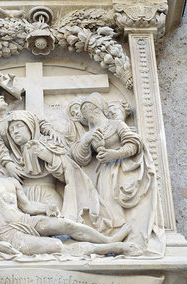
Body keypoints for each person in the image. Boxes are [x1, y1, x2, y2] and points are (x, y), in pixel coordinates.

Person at [0, 155, 140, 257]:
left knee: (67, 225)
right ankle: (112, 249)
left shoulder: (10, 182)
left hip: (26, 220)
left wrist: (46, 208)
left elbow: (27, 206)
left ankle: (108, 240)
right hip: (9, 233)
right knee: (56, 245)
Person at [71, 93, 165, 257]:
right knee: (105, 205)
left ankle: (125, 237)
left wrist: (114, 154)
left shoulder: (117, 124)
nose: (89, 113)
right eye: (85, 111)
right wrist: (86, 141)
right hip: (104, 172)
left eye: (91, 108)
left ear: (100, 108)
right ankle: (111, 240)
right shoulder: (91, 132)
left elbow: (134, 144)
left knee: (116, 201)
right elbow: (81, 159)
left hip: (121, 170)